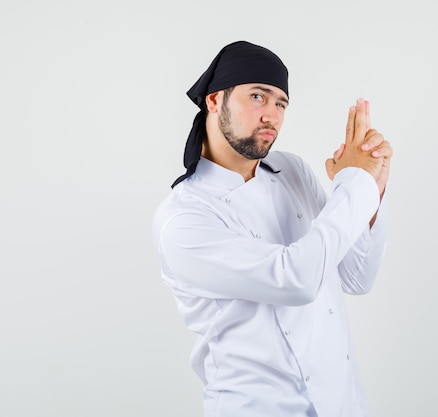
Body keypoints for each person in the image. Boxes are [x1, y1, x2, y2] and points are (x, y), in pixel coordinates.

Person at [152, 40, 393, 417]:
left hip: (343, 403)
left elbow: (357, 276)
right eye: (258, 97)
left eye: (281, 103)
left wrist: (372, 191)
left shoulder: (291, 170)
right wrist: (354, 185)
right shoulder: (184, 219)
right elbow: (295, 278)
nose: (272, 116)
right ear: (215, 101)